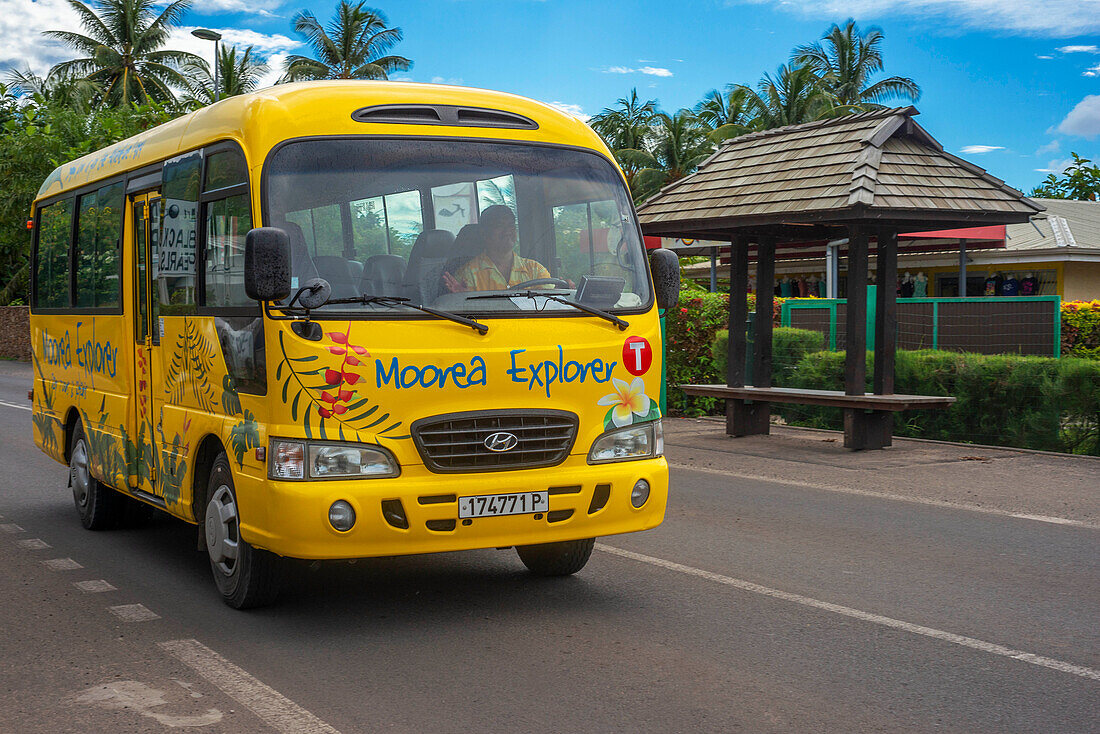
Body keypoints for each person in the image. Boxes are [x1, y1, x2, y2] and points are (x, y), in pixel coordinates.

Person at [443, 205, 551, 292]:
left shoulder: (535, 270)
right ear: (484, 233)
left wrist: (563, 292)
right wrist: (461, 300)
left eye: (511, 225)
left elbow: (552, 305)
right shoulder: (467, 274)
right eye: (500, 226)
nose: (507, 231)